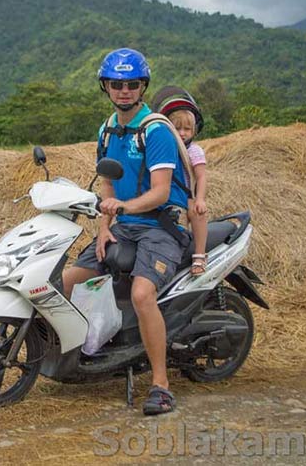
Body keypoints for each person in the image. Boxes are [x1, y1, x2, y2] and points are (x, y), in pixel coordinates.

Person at [62, 48, 189, 416]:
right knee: (66, 280)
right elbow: (108, 186)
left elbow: (161, 192)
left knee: (142, 293)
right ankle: (79, 355)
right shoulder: (107, 129)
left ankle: (161, 385)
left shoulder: (156, 131)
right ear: (105, 86)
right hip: (124, 227)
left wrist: (124, 209)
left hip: (160, 228)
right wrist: (104, 227)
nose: (124, 91)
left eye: (132, 84)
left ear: (142, 87)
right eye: (116, 84)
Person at [154, 87, 208, 275]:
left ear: (195, 130)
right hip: (165, 196)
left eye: (187, 129)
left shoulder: (193, 151)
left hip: (185, 196)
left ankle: (200, 255)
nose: (182, 133)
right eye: (177, 128)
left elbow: (201, 176)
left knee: (197, 212)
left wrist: (199, 198)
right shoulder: (161, 148)